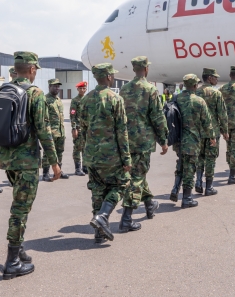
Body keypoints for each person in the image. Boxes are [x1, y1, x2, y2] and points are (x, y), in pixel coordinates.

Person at [0, 52, 61, 279]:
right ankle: (12, 262)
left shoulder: (0, 92)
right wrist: (54, 162)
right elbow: (44, 131)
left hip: (7, 161)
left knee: (20, 206)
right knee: (20, 210)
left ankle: (19, 250)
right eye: (35, 68)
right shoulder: (35, 93)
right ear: (31, 69)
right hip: (27, 162)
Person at [83, 64, 133, 242]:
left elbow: (83, 128)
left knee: (97, 191)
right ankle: (102, 216)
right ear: (109, 77)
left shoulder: (86, 99)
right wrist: (126, 158)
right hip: (111, 155)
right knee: (121, 184)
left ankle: (99, 233)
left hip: (91, 155)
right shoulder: (115, 99)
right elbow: (122, 131)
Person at [118, 57, 168, 224]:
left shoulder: (123, 89)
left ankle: (149, 204)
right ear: (146, 69)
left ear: (134, 70)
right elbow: (157, 117)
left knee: (137, 174)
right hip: (143, 141)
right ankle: (126, 218)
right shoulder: (150, 89)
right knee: (137, 177)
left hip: (126, 140)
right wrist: (163, 140)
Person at [169, 74, 213, 208]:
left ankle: (175, 189)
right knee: (190, 168)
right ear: (195, 85)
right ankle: (187, 198)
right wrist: (211, 137)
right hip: (192, 141)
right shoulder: (199, 101)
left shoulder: (176, 98)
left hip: (178, 140)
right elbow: (207, 122)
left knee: (181, 164)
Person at [195, 68, 228, 196]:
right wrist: (225, 131)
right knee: (210, 159)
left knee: (199, 158)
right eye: (215, 77)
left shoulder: (195, 92)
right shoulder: (216, 93)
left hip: (197, 131)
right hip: (212, 133)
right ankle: (208, 187)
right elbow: (222, 114)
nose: (217, 79)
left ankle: (198, 181)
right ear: (209, 78)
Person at [43, 79, 69, 182]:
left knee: (59, 152)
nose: (57, 88)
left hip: (60, 131)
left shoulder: (58, 99)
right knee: (47, 153)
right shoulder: (45, 99)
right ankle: (45, 173)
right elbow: (44, 118)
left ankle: (58, 171)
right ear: (49, 87)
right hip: (50, 132)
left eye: (58, 86)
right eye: (54, 86)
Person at [69, 81, 88, 176]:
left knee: (86, 148)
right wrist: (74, 128)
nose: (82, 90)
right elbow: (72, 115)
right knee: (77, 148)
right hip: (79, 128)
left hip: (87, 129)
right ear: (77, 89)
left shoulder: (88, 99)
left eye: (84, 88)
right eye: (80, 88)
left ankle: (85, 167)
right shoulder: (75, 100)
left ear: (86, 89)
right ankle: (77, 168)